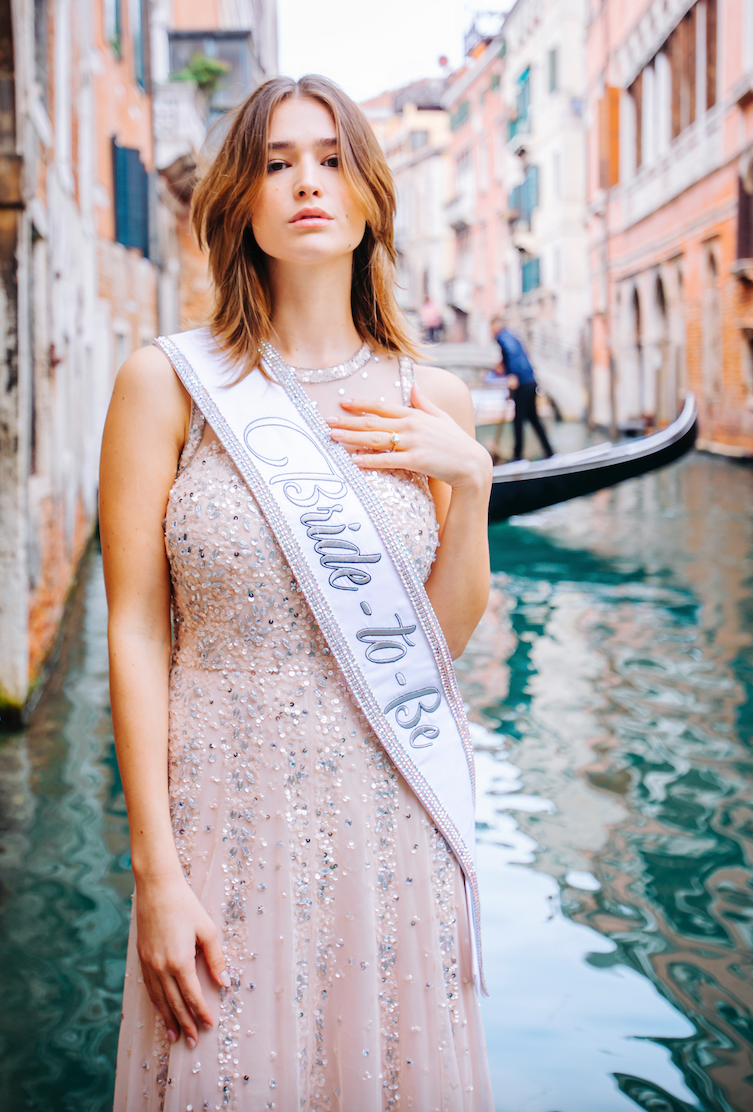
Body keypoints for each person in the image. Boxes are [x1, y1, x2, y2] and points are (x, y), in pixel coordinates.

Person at [101, 74, 494, 1111]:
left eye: (330, 159)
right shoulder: (168, 383)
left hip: (387, 820)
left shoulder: (432, 398)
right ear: (239, 200)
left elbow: (435, 640)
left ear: (369, 195)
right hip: (219, 819)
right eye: (276, 163)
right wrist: (155, 871)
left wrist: (473, 482)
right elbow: (136, 628)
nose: (305, 183)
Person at [491, 316, 554, 461]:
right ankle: (549, 452)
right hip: (530, 381)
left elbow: (512, 353)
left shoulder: (503, 336)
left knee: (518, 420)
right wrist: (504, 367)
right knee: (533, 419)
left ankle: (518, 456)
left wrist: (512, 375)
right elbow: (513, 356)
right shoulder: (511, 336)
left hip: (523, 384)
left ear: (495, 326)